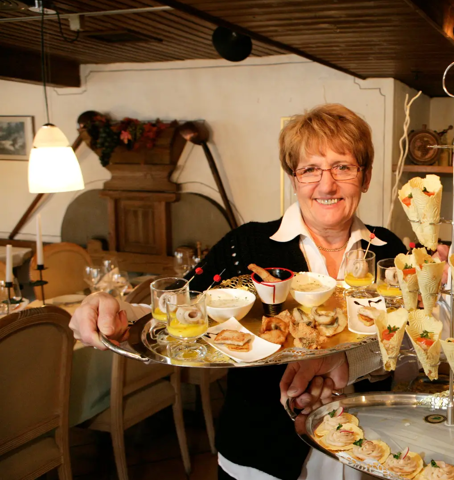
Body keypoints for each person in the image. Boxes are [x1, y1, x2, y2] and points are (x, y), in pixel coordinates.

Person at [70, 103, 406, 479]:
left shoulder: (390, 252)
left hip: (369, 456)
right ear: (294, 178)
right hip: (260, 457)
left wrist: (350, 363)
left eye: (342, 167)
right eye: (310, 169)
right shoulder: (246, 246)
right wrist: (118, 312)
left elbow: (414, 344)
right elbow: (181, 305)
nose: (326, 184)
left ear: (366, 176)